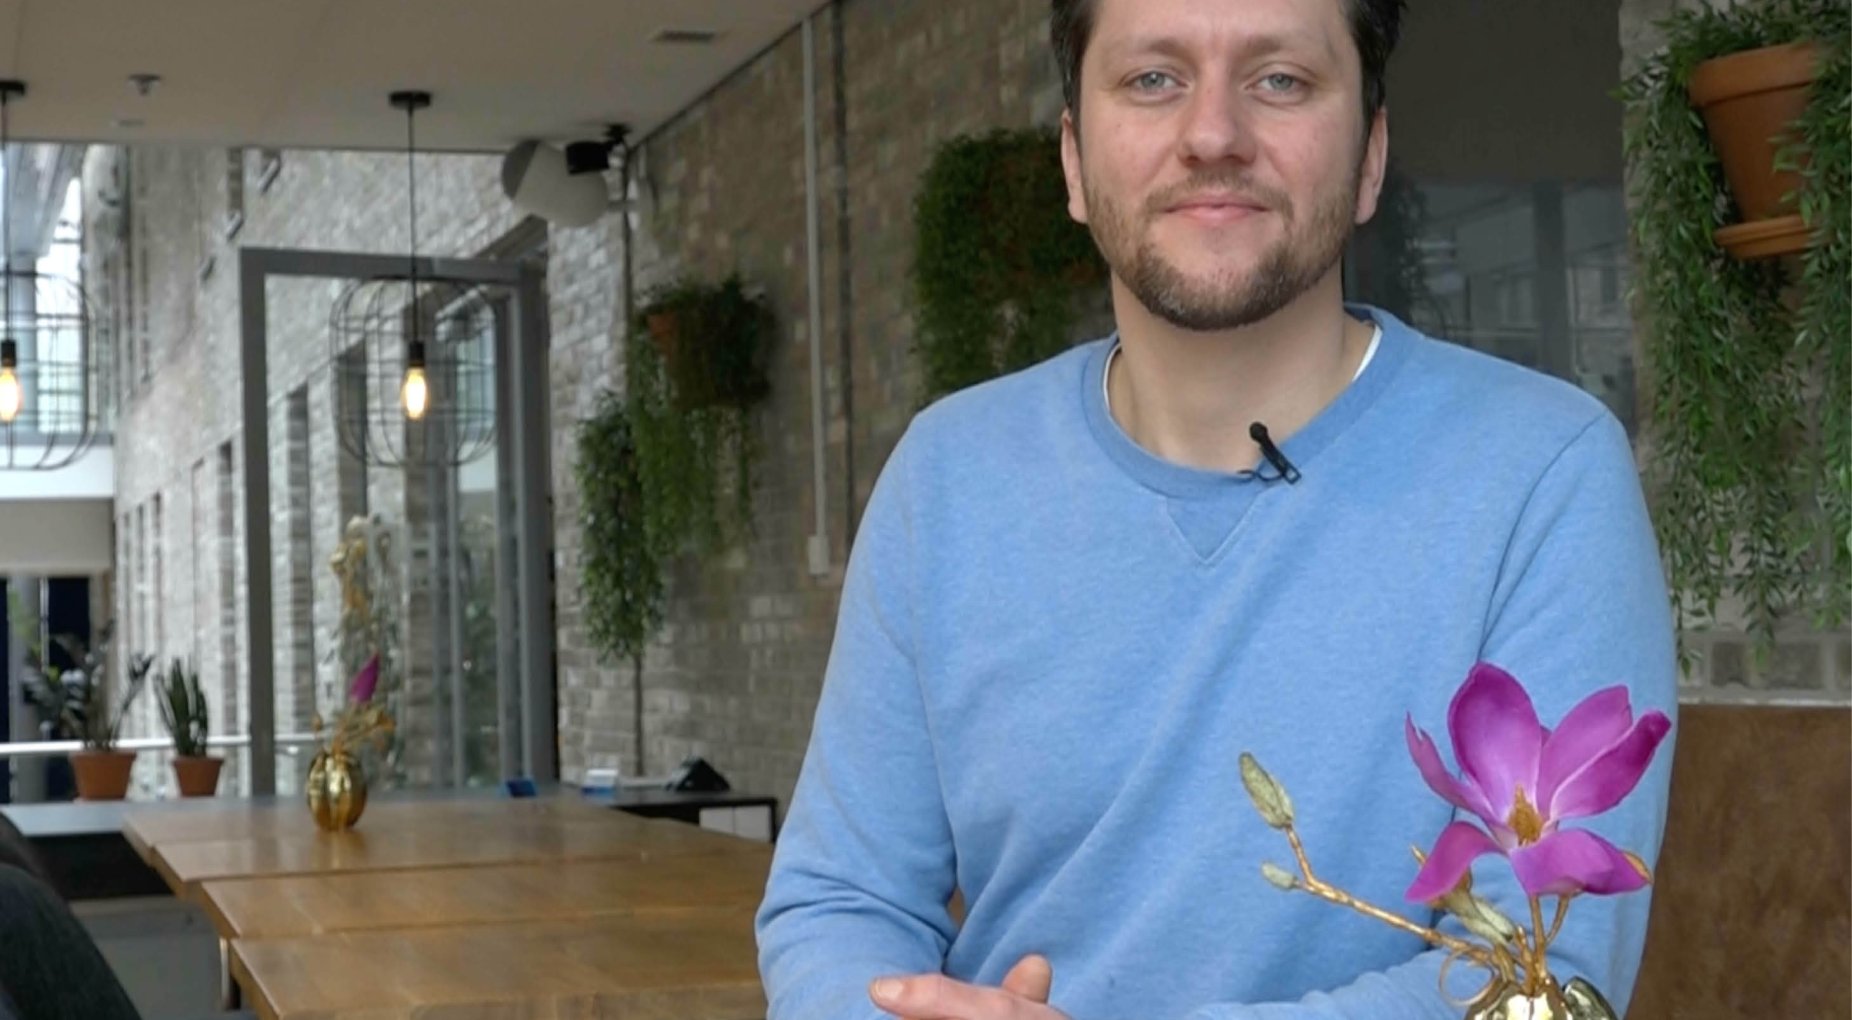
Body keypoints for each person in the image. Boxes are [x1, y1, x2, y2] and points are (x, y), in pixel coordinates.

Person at [755, 0, 1678, 1017]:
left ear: (1370, 156)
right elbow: (841, 901)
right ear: (1073, 161)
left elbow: (1541, 983)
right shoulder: (946, 480)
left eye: (1280, 79)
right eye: (1153, 78)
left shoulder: (1541, 473)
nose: (1212, 134)